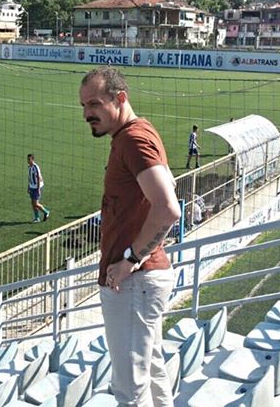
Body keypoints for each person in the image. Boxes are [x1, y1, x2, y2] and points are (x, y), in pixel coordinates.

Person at [79, 66, 181, 407]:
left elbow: (168, 208)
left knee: (129, 388)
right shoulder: (137, 134)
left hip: (136, 282)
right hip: (143, 280)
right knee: (150, 369)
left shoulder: (134, 140)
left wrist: (130, 260)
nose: (87, 114)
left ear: (120, 98)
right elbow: (167, 187)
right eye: (84, 106)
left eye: (94, 104)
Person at [27, 154, 50, 223]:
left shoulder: (36, 167)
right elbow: (29, 178)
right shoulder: (29, 167)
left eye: (29, 159)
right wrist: (28, 187)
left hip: (37, 187)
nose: (28, 161)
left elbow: (39, 178)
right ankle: (37, 218)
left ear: (32, 159)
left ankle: (46, 212)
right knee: (33, 203)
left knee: (36, 203)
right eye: (27, 159)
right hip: (32, 187)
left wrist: (38, 189)